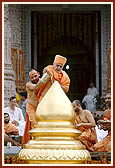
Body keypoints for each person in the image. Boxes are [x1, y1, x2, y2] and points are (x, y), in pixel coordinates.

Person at [22, 69, 45, 145]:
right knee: (34, 124)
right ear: (29, 78)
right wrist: (46, 77)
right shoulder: (28, 84)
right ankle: (36, 142)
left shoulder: (43, 82)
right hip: (31, 107)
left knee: (42, 125)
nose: (34, 78)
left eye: (35, 76)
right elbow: (35, 87)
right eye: (32, 77)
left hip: (40, 107)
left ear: (38, 74)